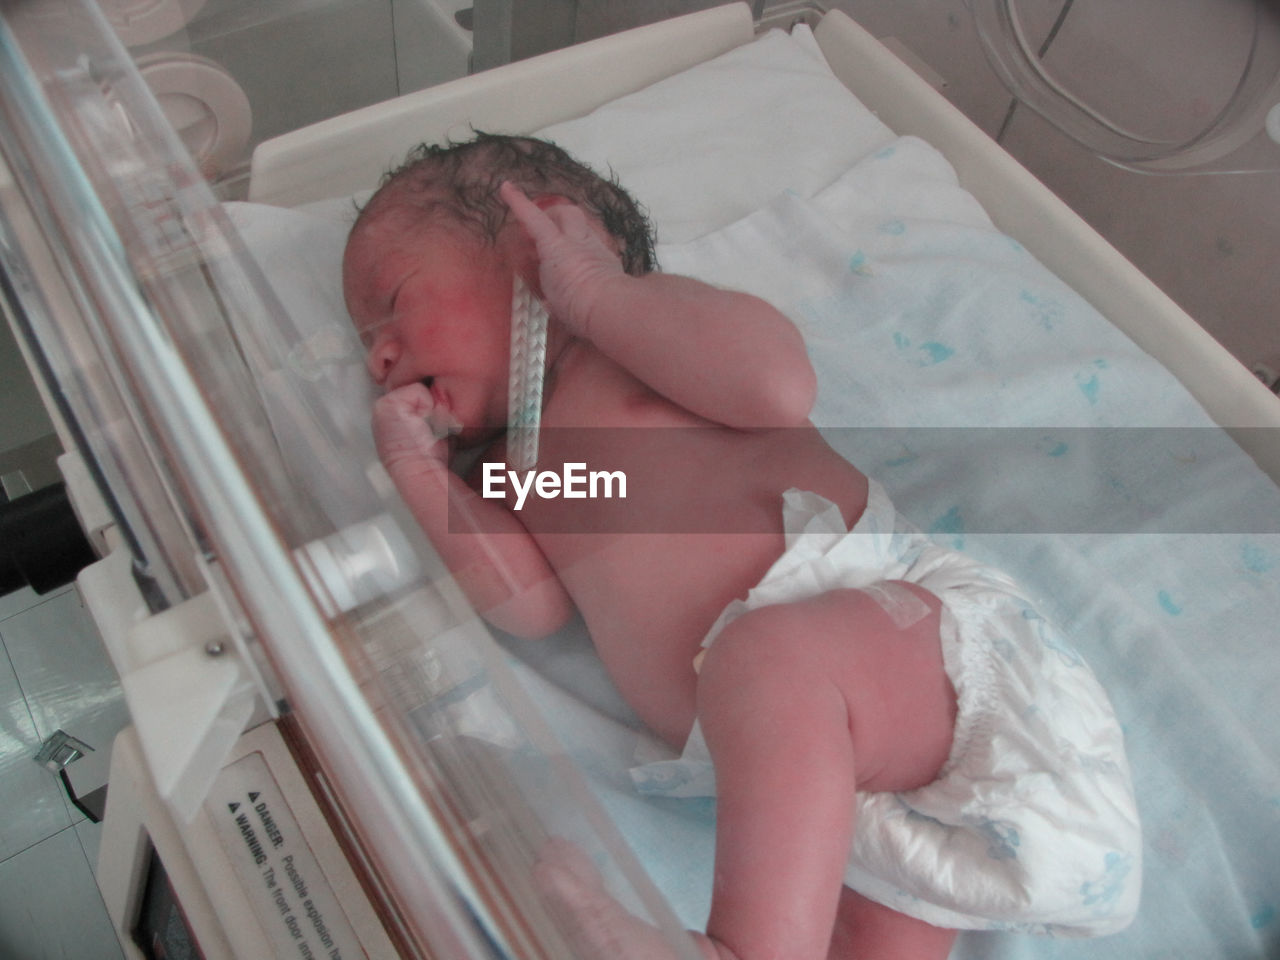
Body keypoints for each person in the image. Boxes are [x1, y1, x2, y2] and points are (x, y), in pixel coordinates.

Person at [343, 133, 1140, 960]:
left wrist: (595, 296)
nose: (378, 358)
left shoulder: (643, 348)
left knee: (768, 664)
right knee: (861, 923)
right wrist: (423, 477)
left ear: (539, 236)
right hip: (826, 773)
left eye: (392, 302)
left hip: (921, 653)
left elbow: (776, 385)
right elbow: (532, 606)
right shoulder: (527, 468)